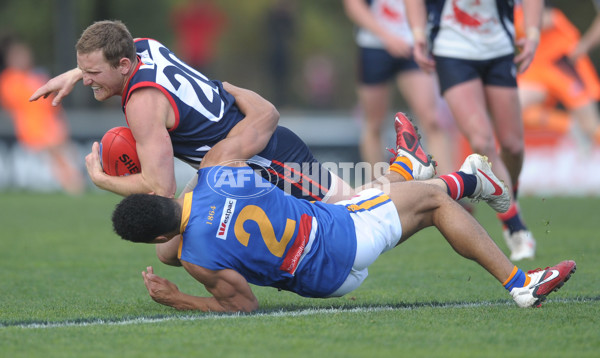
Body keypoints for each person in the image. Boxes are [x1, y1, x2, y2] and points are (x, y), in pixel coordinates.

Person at [29, 20, 436, 267]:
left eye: (92, 72)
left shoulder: (142, 105)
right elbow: (111, 57)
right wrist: (75, 74)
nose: (88, 79)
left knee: (359, 220)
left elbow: (161, 189)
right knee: (170, 249)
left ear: (121, 66)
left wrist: (104, 180)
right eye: (84, 71)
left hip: (268, 158)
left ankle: (414, 174)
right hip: (234, 162)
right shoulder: (142, 47)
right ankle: (237, 278)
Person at [110, 108, 576, 312]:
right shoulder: (215, 174)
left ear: (155, 238)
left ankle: (414, 168)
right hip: (340, 237)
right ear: (161, 194)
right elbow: (261, 114)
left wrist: (178, 298)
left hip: (323, 283)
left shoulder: (194, 260)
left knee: (380, 199)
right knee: (434, 198)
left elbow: (243, 306)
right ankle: (520, 283)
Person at [404, 0, 544, 261]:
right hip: (452, 50)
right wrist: (418, 34)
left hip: (500, 48)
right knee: (481, 139)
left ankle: (508, 192)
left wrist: (533, 33)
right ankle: (515, 227)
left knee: (513, 146)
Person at [343, 0, 457, 177]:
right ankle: (378, 188)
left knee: (432, 120)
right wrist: (387, 38)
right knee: (373, 124)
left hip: (413, 44)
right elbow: (354, 7)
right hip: (373, 45)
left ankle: (447, 185)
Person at [0, 35, 84, 194]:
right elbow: (12, 104)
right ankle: (72, 184)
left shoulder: (36, 76)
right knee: (57, 154)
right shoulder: (9, 80)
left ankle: (74, 182)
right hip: (33, 129)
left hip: (49, 125)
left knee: (67, 152)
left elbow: (53, 105)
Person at [516, 4, 600, 146]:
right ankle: (569, 125)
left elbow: (551, 18)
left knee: (591, 127)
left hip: (563, 61)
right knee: (509, 110)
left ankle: (581, 128)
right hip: (538, 65)